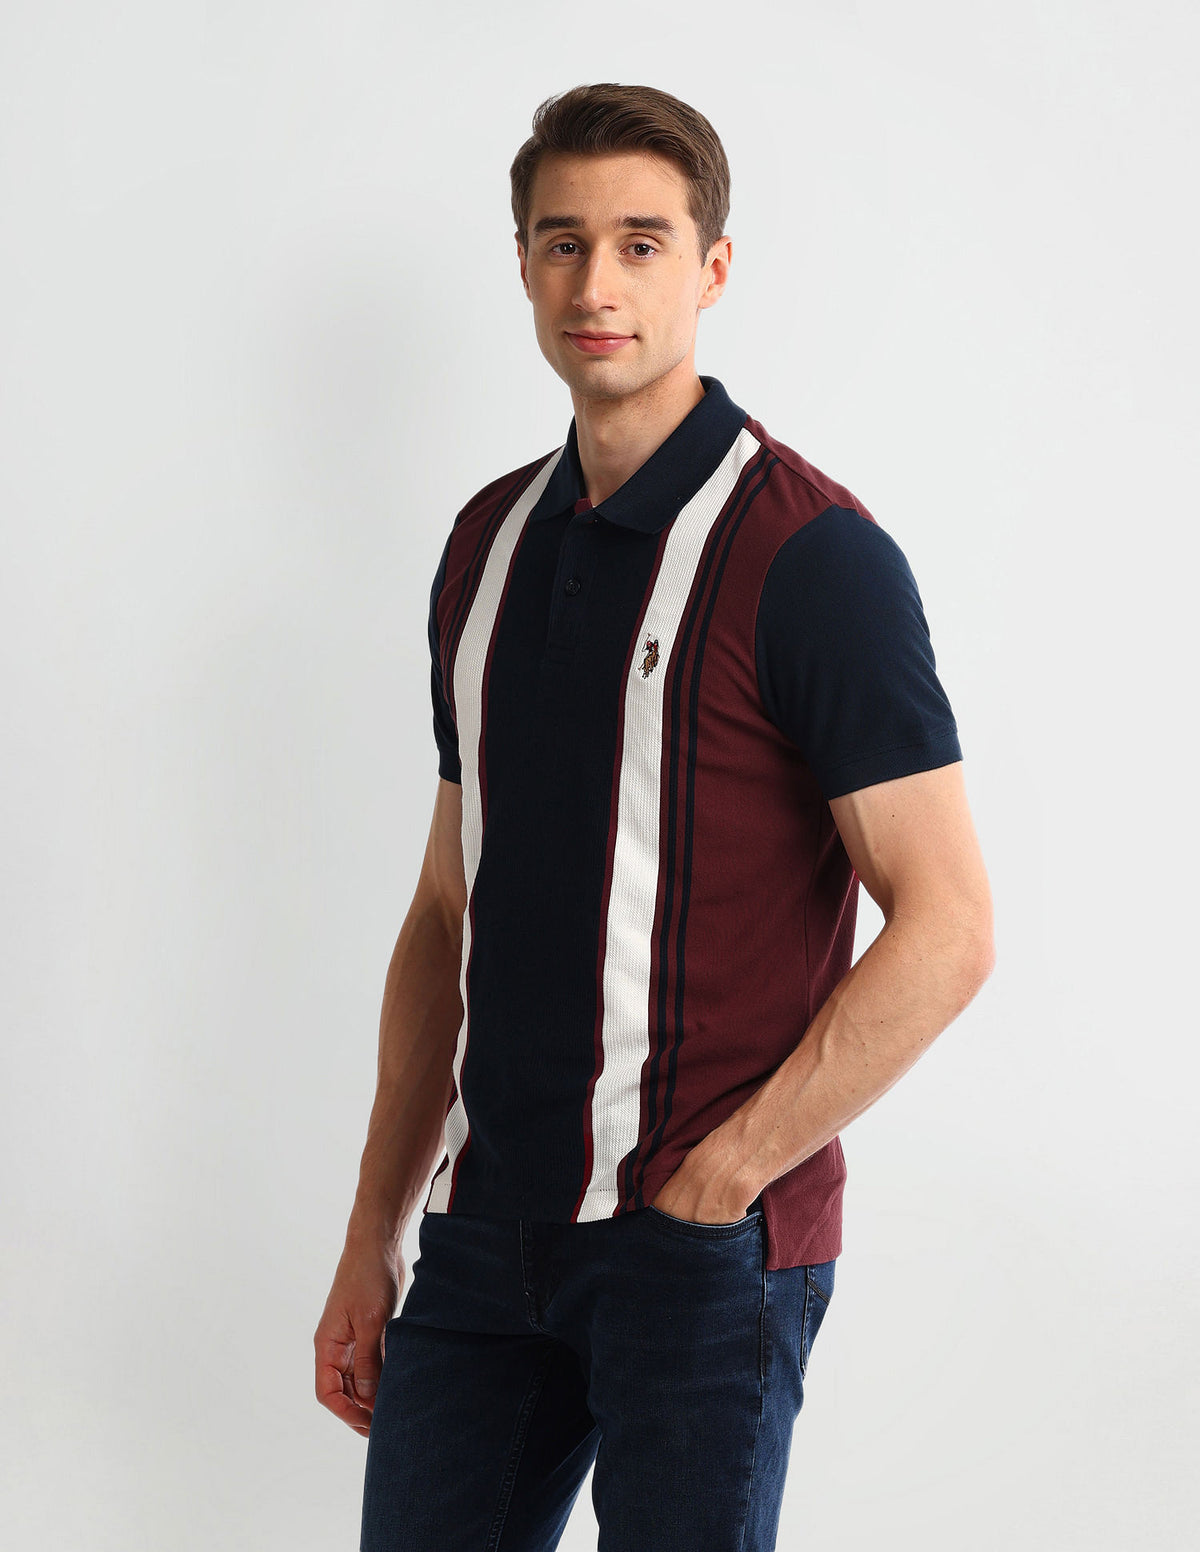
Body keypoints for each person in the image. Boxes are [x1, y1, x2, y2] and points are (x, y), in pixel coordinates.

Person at [315, 81, 995, 1552]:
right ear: (522, 265)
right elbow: (447, 906)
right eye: (562, 243)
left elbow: (948, 926)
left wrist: (729, 1179)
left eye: (641, 242)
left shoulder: (812, 556)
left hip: (700, 1252)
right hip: (482, 1241)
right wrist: (374, 1231)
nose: (596, 285)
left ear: (713, 267)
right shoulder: (486, 545)